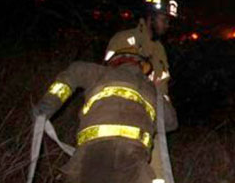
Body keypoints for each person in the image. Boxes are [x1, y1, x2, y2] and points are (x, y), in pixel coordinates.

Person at [33, 47, 177, 183]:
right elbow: (171, 123)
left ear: (115, 62)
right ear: (141, 66)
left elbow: (74, 71)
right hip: (134, 157)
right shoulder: (153, 91)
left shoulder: (99, 72)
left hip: (92, 153)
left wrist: (47, 106)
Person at [105, 0, 179, 181]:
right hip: (120, 117)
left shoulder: (159, 50)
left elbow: (162, 88)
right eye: (164, 20)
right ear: (150, 18)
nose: (167, 25)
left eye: (168, 21)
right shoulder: (123, 39)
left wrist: (164, 112)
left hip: (150, 120)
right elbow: (111, 77)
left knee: (158, 175)